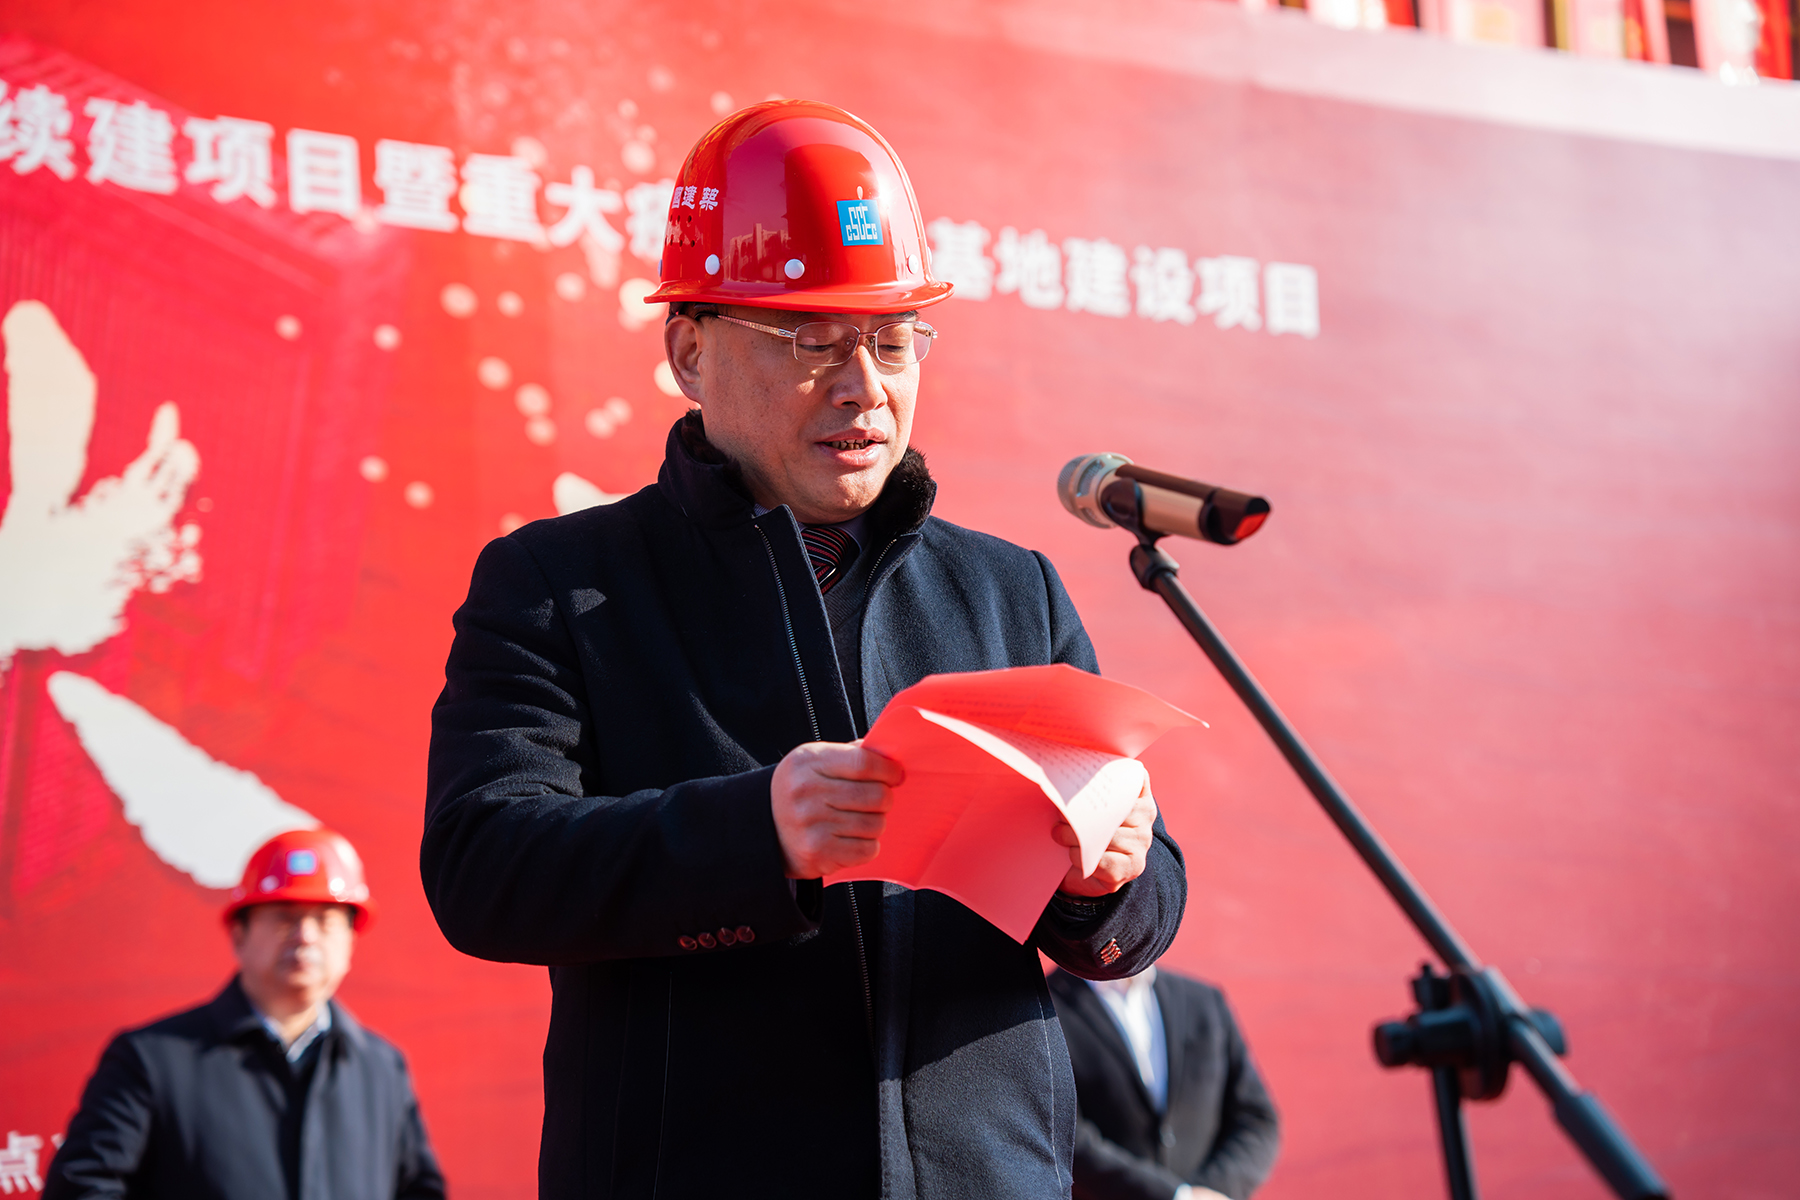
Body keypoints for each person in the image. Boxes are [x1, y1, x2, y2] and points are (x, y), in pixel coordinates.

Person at [422, 100, 1187, 1200]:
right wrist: (756, 834)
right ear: (689, 351)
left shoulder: (1008, 590)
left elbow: (1139, 918)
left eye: (892, 340)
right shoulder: (561, 585)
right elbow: (483, 868)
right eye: (812, 342)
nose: (864, 385)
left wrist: (1105, 878)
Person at [45, 829, 445, 1200]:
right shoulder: (149, 1061)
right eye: (285, 917)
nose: (305, 936)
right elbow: (83, 1187)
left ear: (351, 943)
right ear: (239, 935)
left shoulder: (382, 1069)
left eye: (325, 920)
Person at [1048, 965, 1279, 1200]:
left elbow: (1256, 1118)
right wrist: (1175, 1196)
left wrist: (1209, 1191)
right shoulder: (1044, 1012)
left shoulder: (1203, 1001)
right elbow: (1063, 1138)